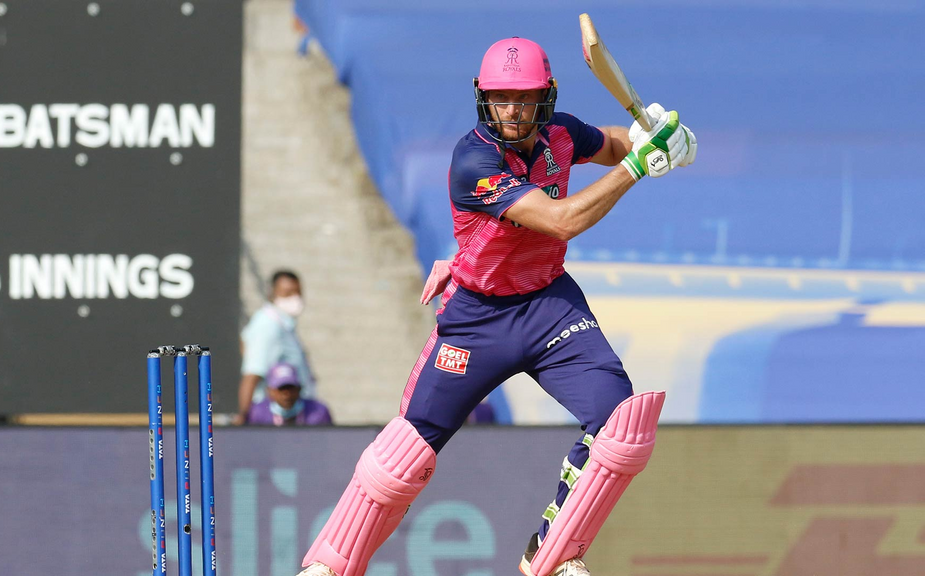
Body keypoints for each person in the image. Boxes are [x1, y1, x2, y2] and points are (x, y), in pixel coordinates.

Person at [298, 37, 696, 576]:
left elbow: (612, 142)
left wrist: (657, 137)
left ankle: (553, 554)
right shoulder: (474, 160)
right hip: (478, 318)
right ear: (482, 96)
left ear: (546, 96)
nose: (511, 109)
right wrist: (639, 166)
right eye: (500, 97)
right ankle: (330, 564)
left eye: (524, 98)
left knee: (621, 424)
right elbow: (561, 221)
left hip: (549, 306)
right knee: (402, 456)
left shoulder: (560, 134)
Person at [234, 269, 316, 425]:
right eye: (287, 293)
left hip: (295, 414)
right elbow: (252, 374)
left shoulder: (285, 325)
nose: (295, 298)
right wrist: (243, 418)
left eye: (297, 292)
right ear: (272, 294)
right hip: (272, 417)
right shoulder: (268, 325)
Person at [247, 362, 333, 426]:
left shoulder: (318, 411)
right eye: (281, 389)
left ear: (299, 389)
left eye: (291, 388)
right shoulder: (257, 412)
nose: (287, 394)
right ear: (270, 391)